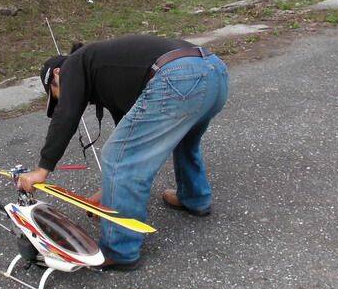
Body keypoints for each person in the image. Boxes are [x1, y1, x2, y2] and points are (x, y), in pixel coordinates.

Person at [18, 34, 229, 270]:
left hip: (178, 76)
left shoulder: (74, 64)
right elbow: (133, 136)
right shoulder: (106, 69)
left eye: (56, 95)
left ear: (57, 74)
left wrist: (42, 170)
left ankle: (120, 250)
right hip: (214, 71)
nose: (62, 100)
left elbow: (66, 115)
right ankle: (194, 198)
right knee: (184, 140)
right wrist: (111, 190)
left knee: (116, 157)